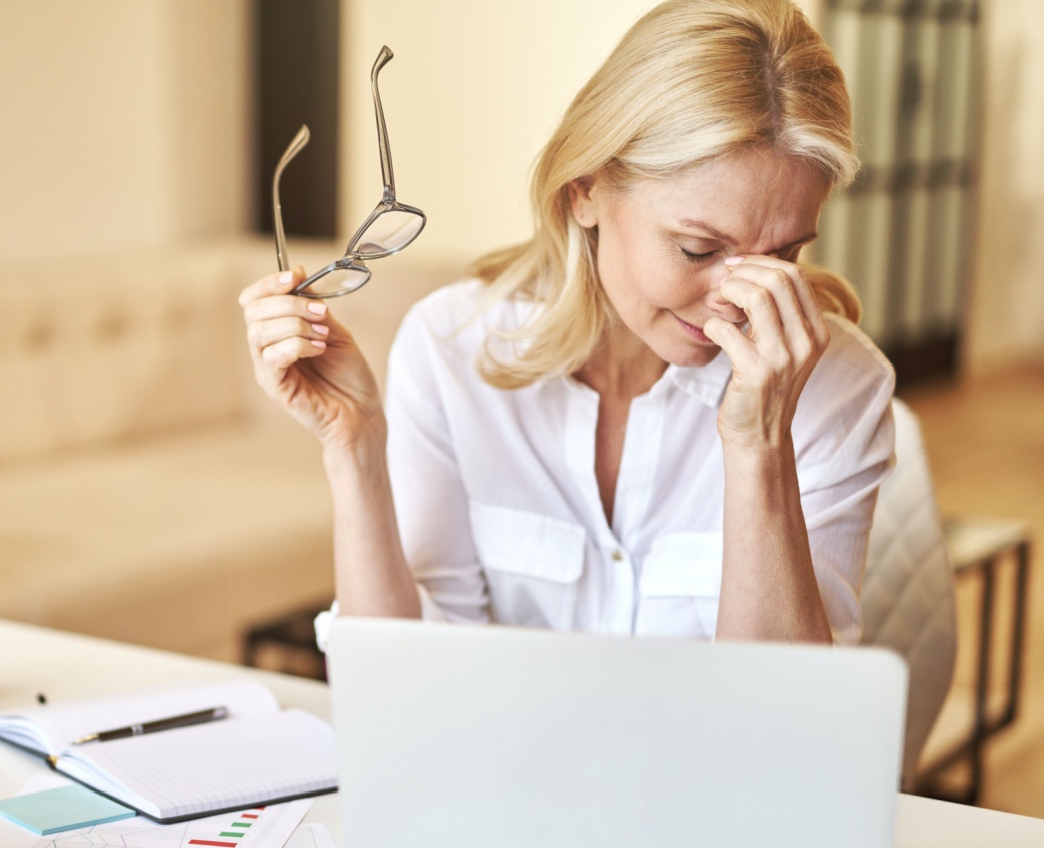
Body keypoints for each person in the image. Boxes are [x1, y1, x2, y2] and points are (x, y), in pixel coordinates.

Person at [239, 0, 894, 646]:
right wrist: (354, 450)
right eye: (698, 248)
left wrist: (761, 448)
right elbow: (402, 680)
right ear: (585, 190)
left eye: (782, 256)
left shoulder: (837, 388)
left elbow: (782, 730)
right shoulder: (451, 350)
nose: (739, 300)